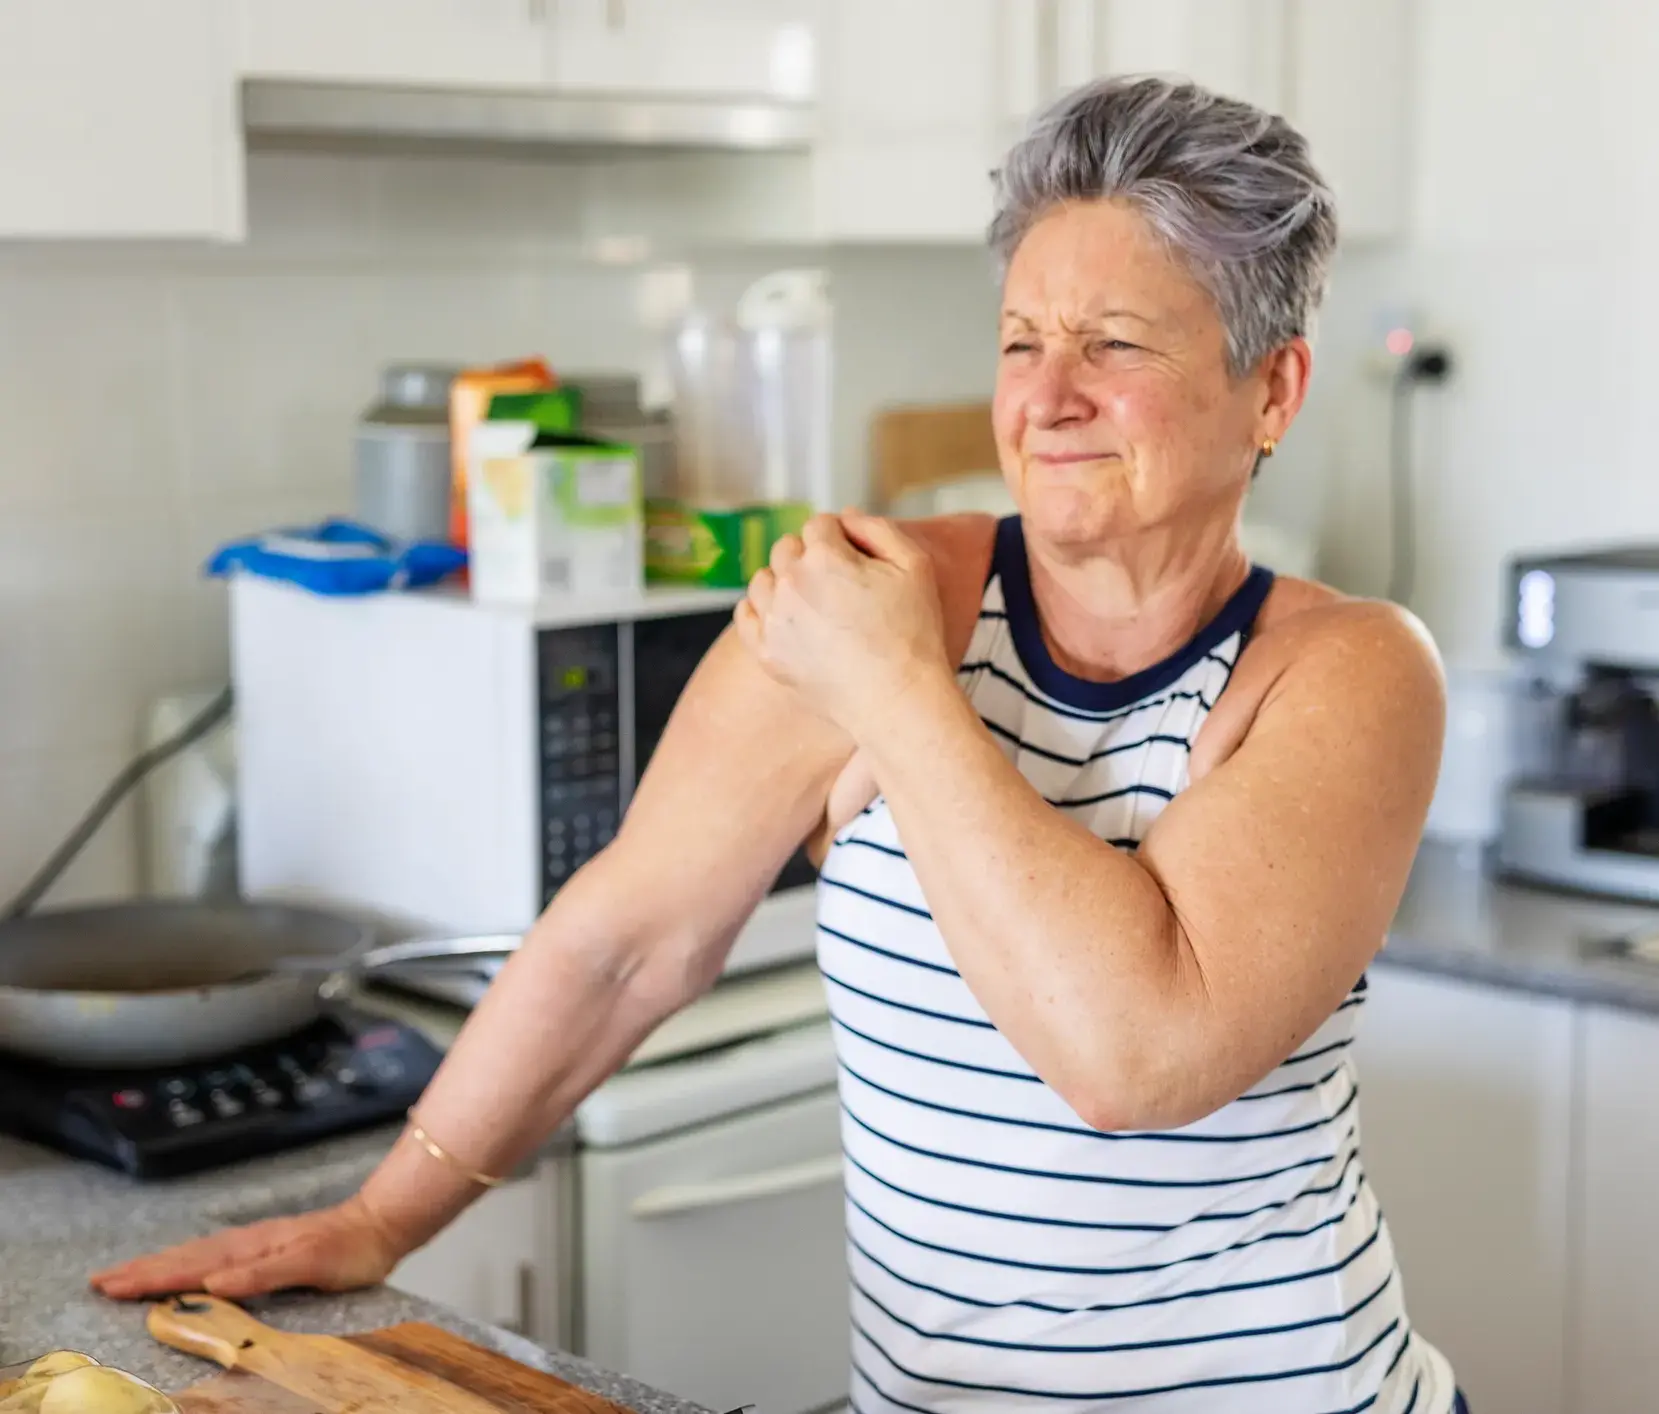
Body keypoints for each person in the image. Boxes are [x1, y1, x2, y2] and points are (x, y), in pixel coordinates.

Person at [94, 76, 1462, 1412]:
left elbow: (1131, 1058)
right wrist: (386, 1216)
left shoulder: (1343, 674)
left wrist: (900, 698)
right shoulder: (868, 596)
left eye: (1112, 343)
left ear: (1270, 391)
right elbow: (623, 940)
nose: (1044, 397)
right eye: (1017, 339)